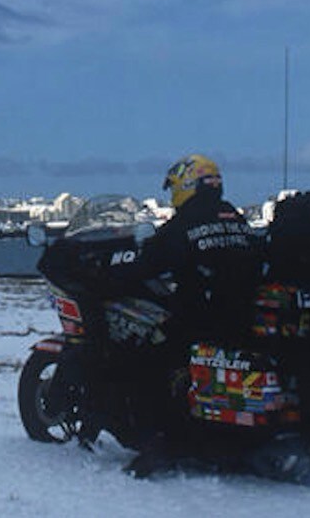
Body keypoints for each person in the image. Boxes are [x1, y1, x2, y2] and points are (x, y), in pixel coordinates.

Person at [112, 154, 264, 478]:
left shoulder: (185, 222)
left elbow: (149, 262)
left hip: (202, 317)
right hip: (245, 317)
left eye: (174, 189)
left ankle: (158, 443)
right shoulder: (234, 216)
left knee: (145, 358)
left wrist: (116, 276)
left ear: (186, 186)